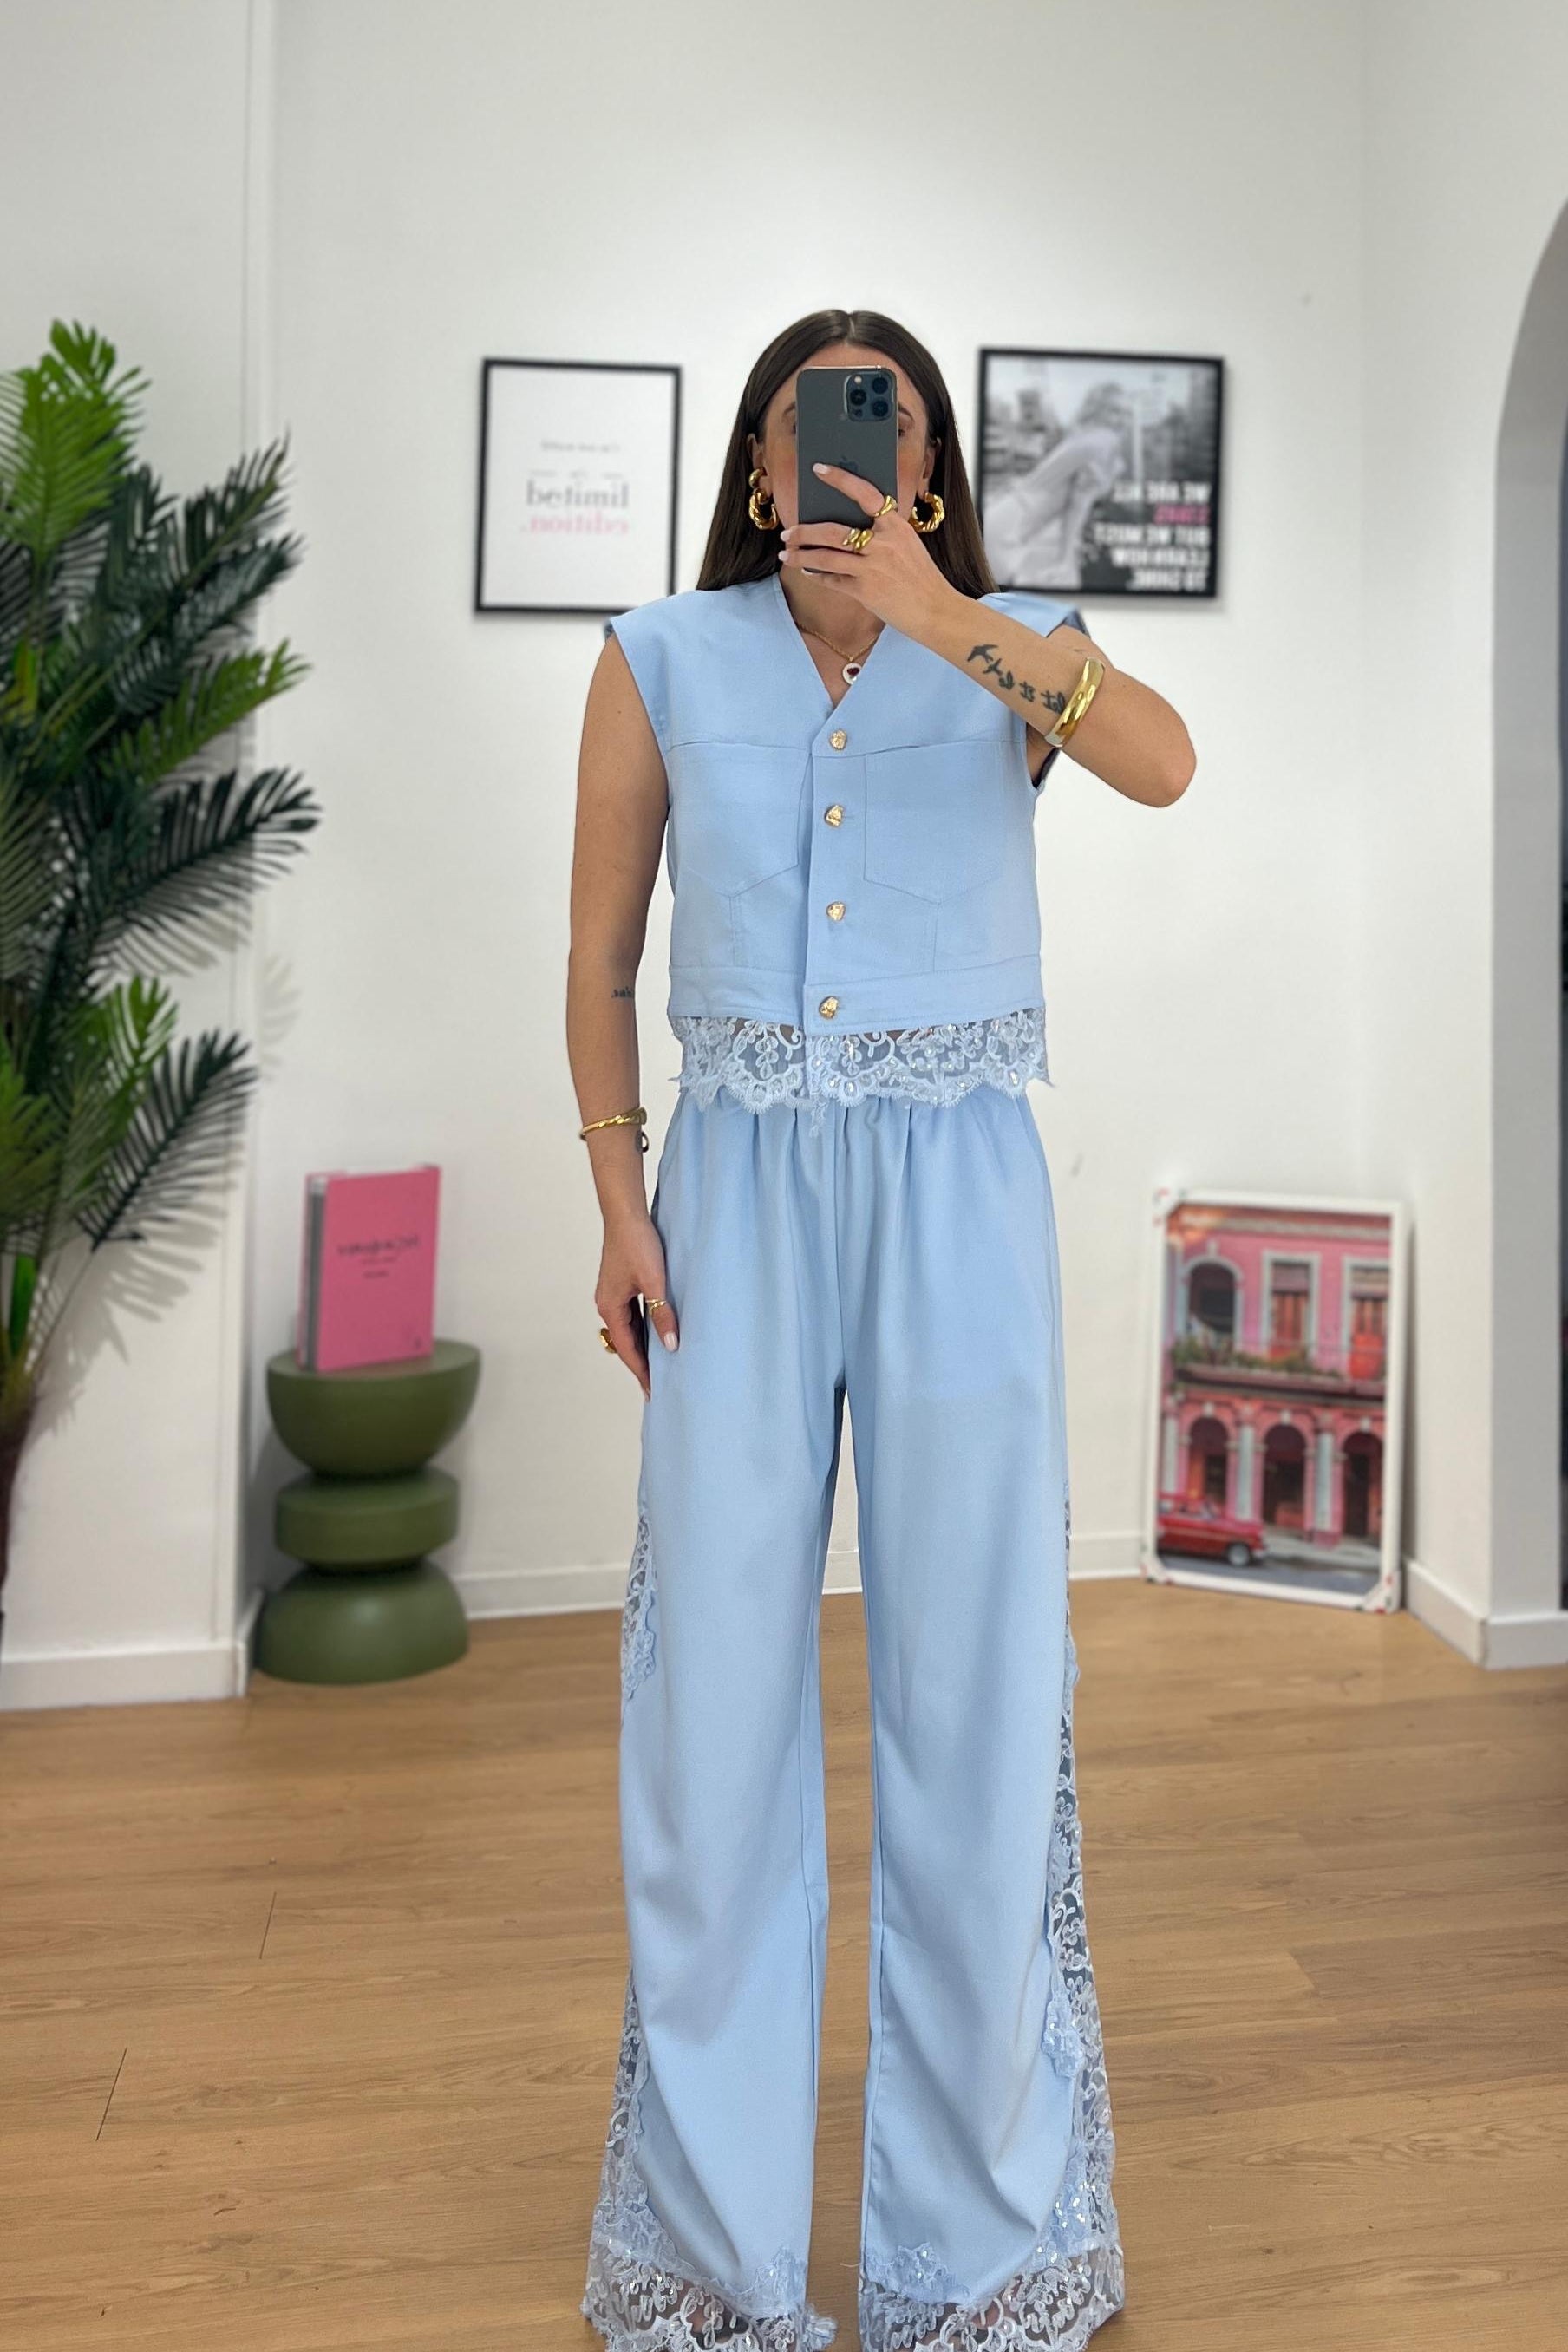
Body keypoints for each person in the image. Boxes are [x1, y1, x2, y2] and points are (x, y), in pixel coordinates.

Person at [566, 307, 1194, 2352]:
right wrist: (618, 1206)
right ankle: (713, 2260)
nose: (843, 453)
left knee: (980, 1695)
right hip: (732, 1198)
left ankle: (981, 2251)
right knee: (712, 1712)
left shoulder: (1004, 654)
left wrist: (942, 612)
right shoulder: (660, 656)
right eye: (808, 423)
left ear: (926, 467)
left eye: (885, 424)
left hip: (957, 1195)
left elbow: (1164, 763)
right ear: (759, 464)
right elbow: (597, 965)